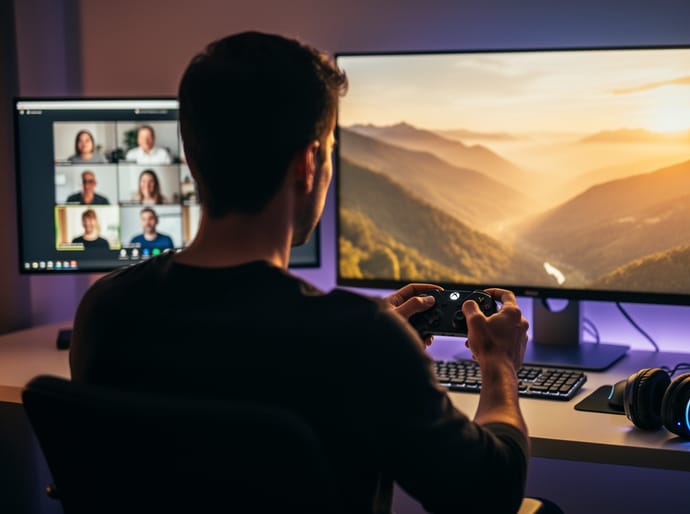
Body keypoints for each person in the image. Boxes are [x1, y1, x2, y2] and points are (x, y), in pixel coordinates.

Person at [70, 31, 531, 514]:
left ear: (191, 156)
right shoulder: (359, 341)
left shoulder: (105, 311)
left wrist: (379, 345)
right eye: (330, 147)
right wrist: (499, 366)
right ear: (309, 164)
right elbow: (491, 495)